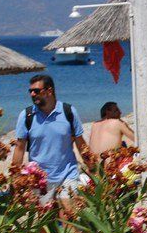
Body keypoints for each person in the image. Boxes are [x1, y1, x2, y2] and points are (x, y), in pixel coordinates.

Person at [11, 75, 90, 209]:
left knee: (69, 215)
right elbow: (19, 148)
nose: (32, 94)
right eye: (30, 91)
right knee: (44, 219)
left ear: (49, 91)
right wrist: (15, 178)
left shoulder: (68, 112)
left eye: (36, 91)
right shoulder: (26, 116)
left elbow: (80, 143)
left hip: (68, 174)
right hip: (38, 179)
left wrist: (93, 168)